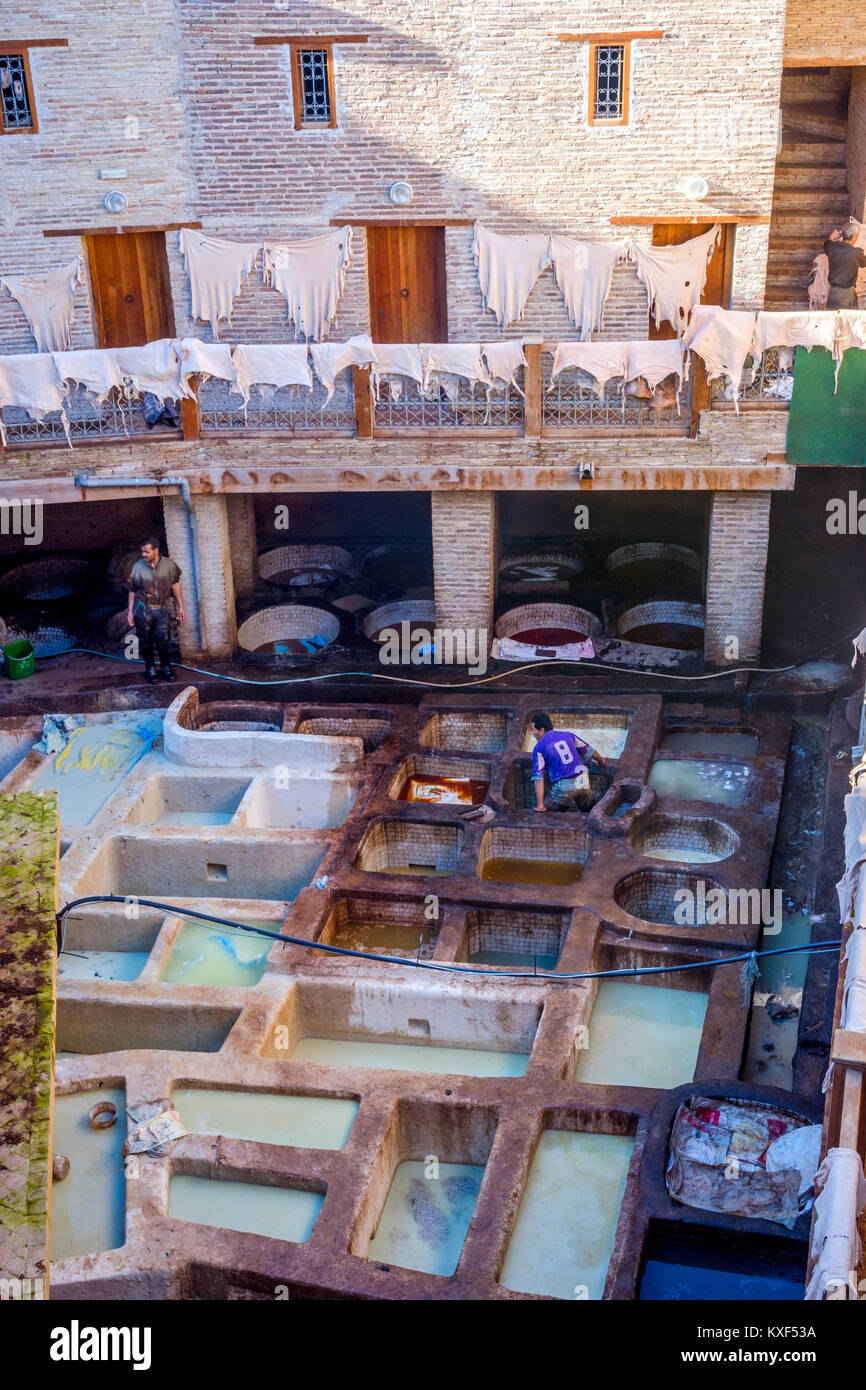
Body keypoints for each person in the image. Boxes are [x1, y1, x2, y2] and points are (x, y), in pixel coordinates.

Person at [126, 536, 185, 683]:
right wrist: (130, 612)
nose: (143, 555)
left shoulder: (169, 565)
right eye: (142, 552)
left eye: (146, 552)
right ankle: (150, 669)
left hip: (162, 609)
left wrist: (180, 607)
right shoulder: (138, 567)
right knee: (146, 641)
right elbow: (132, 590)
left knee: (163, 640)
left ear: (156, 550)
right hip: (142, 609)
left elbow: (175, 585)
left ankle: (166, 667)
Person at [530, 710, 606, 812]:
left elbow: (538, 778)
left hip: (564, 787)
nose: (532, 733)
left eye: (533, 729)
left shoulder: (538, 748)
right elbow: (589, 751)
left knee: (549, 808)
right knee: (587, 808)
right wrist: (601, 761)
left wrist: (540, 806)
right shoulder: (568, 735)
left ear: (542, 730)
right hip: (583, 780)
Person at [822, 221, 866, 310]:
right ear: (854, 237)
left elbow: (827, 244)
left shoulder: (832, 248)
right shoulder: (857, 253)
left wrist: (832, 236)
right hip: (847, 295)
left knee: (832, 319)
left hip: (833, 293)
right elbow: (864, 263)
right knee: (848, 320)